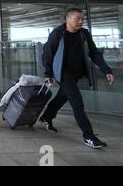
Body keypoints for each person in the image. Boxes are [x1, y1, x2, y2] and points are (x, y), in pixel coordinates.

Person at [41, 8, 115, 149]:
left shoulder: (84, 33)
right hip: (63, 74)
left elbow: (94, 52)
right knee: (77, 102)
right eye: (77, 19)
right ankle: (89, 136)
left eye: (82, 19)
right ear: (68, 19)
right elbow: (47, 54)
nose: (81, 22)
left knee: (62, 97)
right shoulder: (58, 34)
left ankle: (47, 116)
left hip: (76, 73)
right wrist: (48, 74)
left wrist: (106, 70)